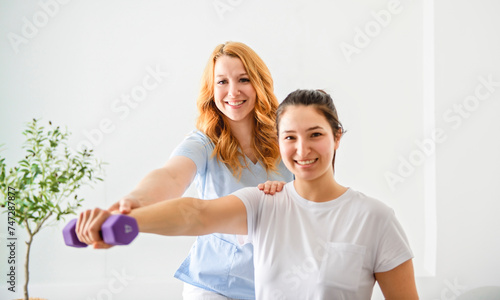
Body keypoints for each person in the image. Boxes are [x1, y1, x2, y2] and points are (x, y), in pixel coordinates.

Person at [78, 89, 419, 299]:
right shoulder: (263, 203)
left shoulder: (375, 218)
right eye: (290, 137)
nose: (302, 149)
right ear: (279, 141)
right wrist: (125, 221)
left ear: (337, 137)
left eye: (315, 134)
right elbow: (194, 213)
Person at [78, 41, 293, 300]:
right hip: (214, 286)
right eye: (222, 82)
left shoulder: (287, 142)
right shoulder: (202, 143)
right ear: (211, 90)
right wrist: (134, 202)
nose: (233, 91)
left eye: (243, 79)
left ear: (259, 84)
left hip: (275, 287)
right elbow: (171, 176)